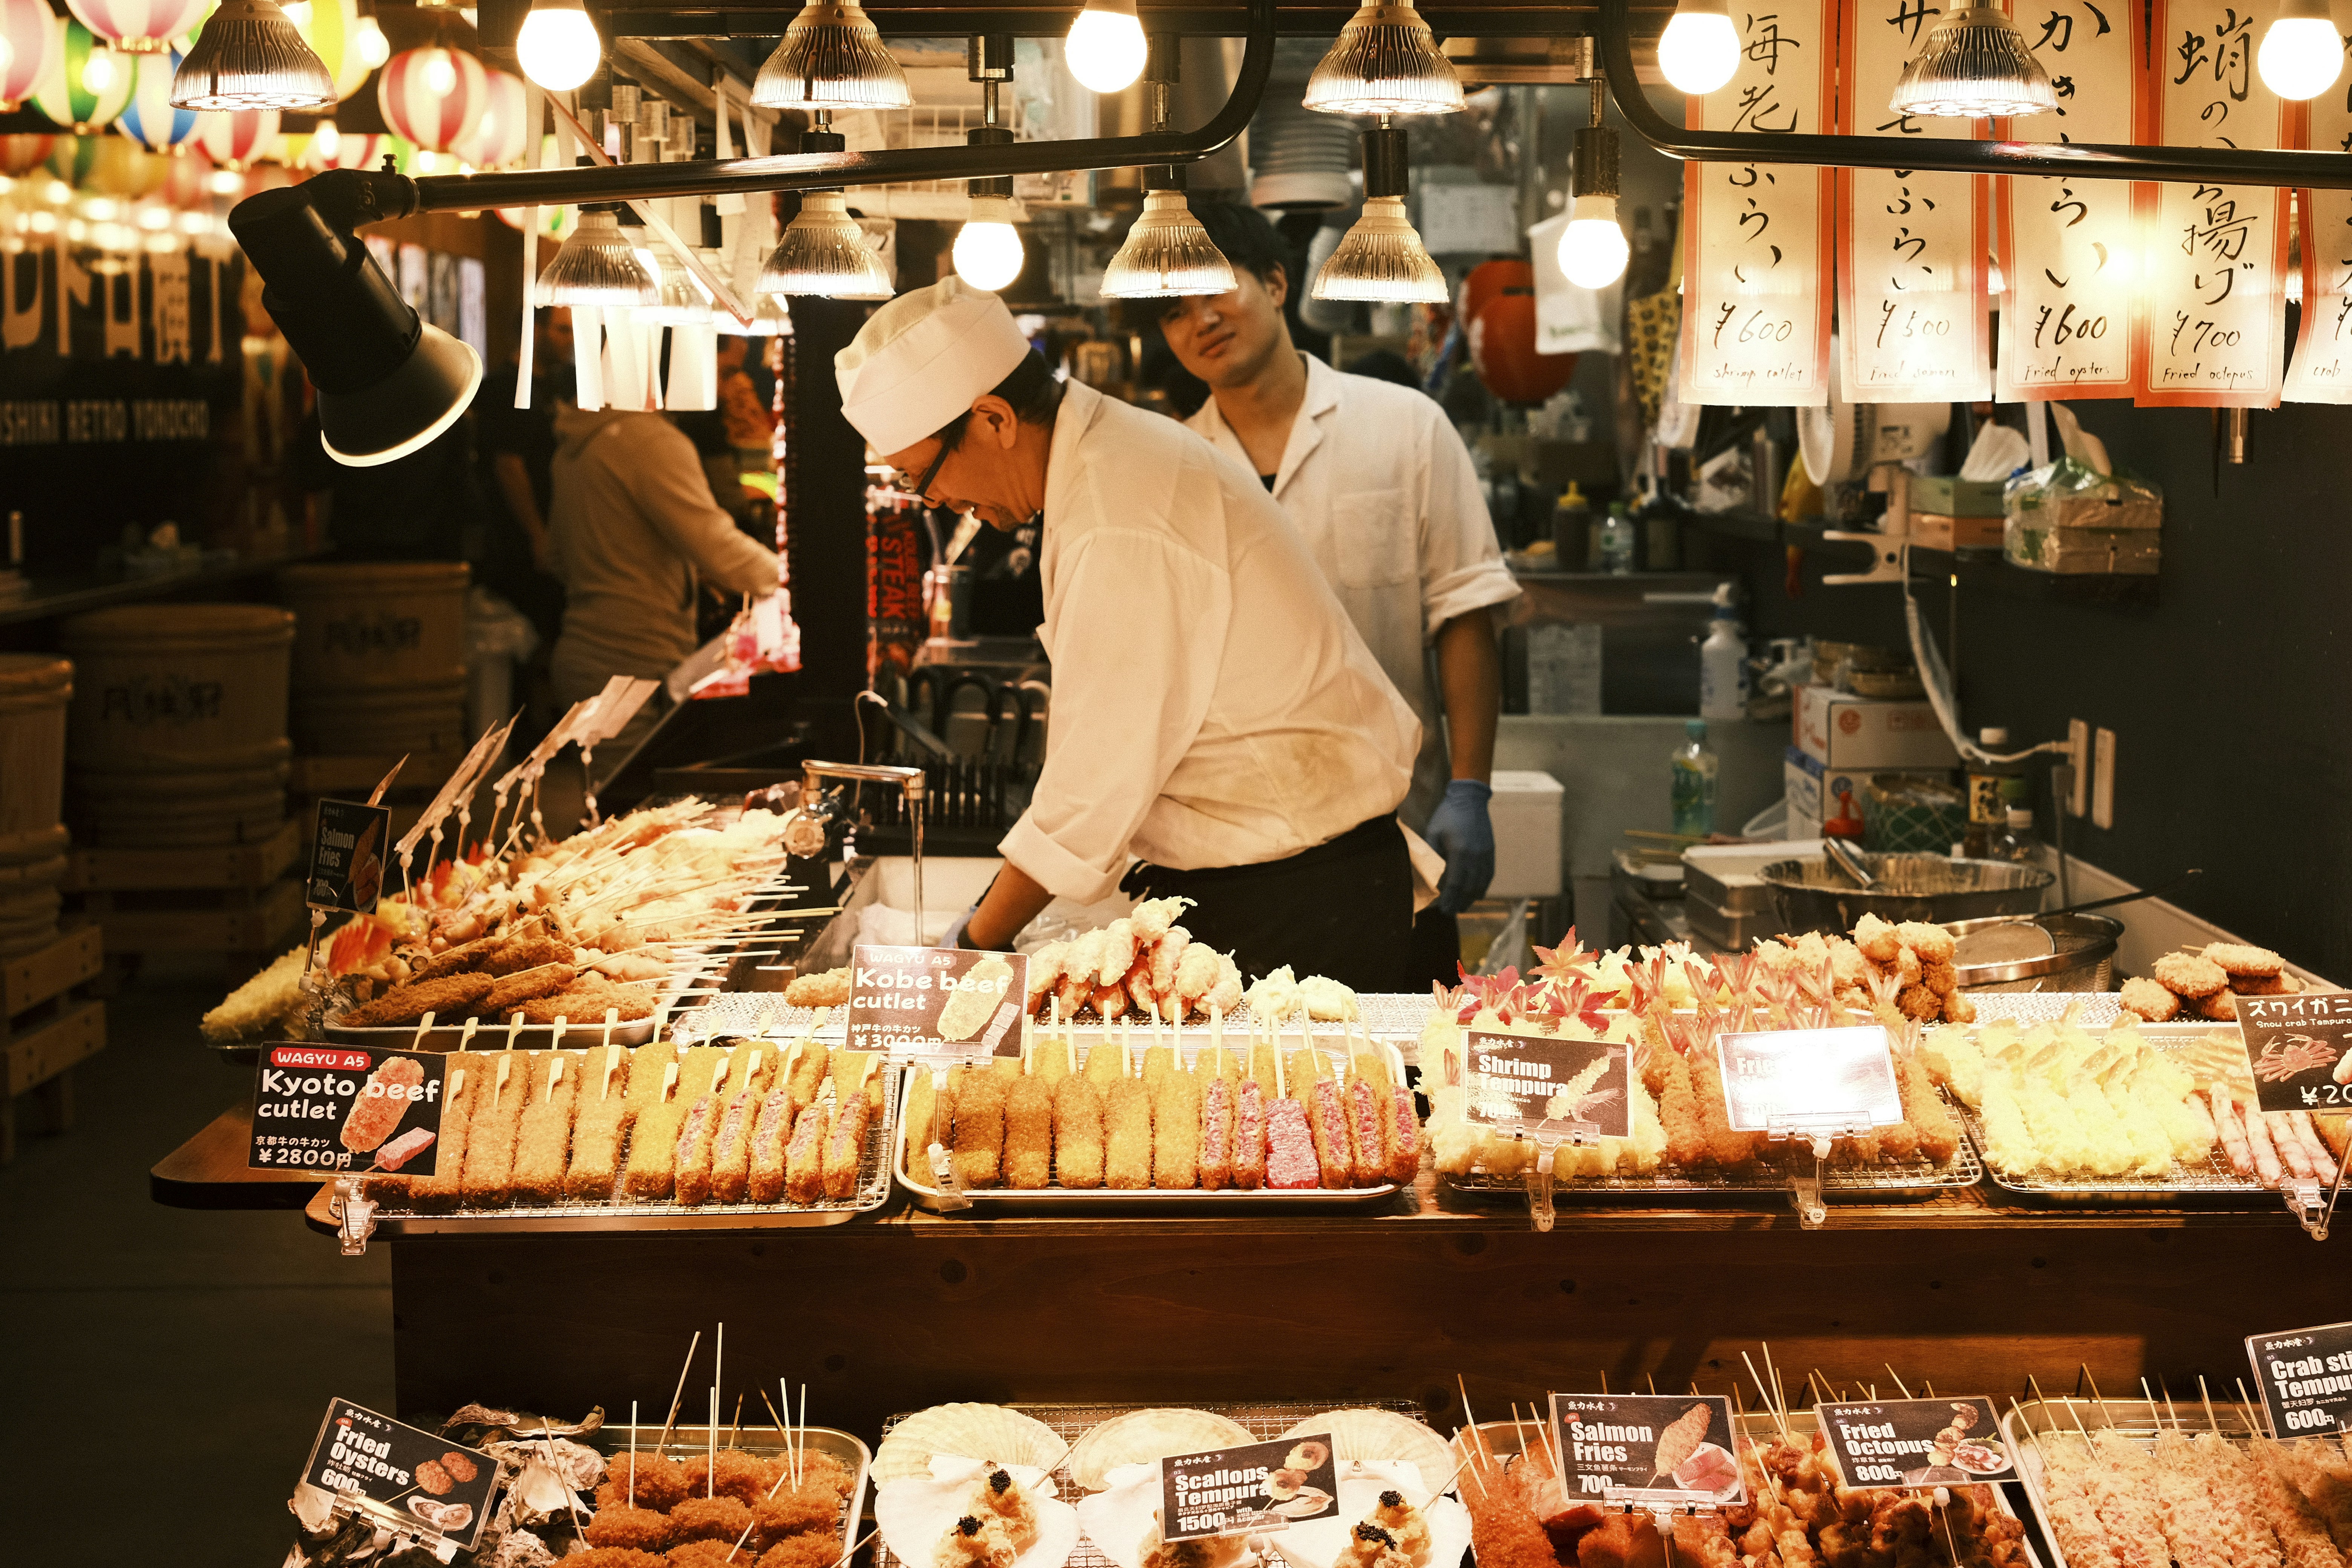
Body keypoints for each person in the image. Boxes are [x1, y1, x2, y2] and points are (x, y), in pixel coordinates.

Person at [835, 277, 1421, 988]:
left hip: (1296, 904)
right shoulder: (1102, 461)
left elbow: (1094, 783)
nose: (937, 501)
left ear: (993, 419)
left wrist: (974, 944)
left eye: (921, 475)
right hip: (1279, 879)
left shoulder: (1120, 514)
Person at [1145, 202, 1522, 986]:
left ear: (1276, 283)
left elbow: (1465, 616)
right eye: (1173, 313)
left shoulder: (1407, 427)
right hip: (1230, 866)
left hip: (1399, 848)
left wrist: (1472, 787)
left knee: (1406, 1095)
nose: (1200, 322)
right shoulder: (1173, 470)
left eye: (1215, 289)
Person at [545, 399, 781, 784]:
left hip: (584, 652)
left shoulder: (575, 444)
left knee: (612, 805)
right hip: (633, 658)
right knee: (631, 810)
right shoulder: (649, 440)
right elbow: (715, 544)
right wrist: (792, 580)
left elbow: (556, 555)